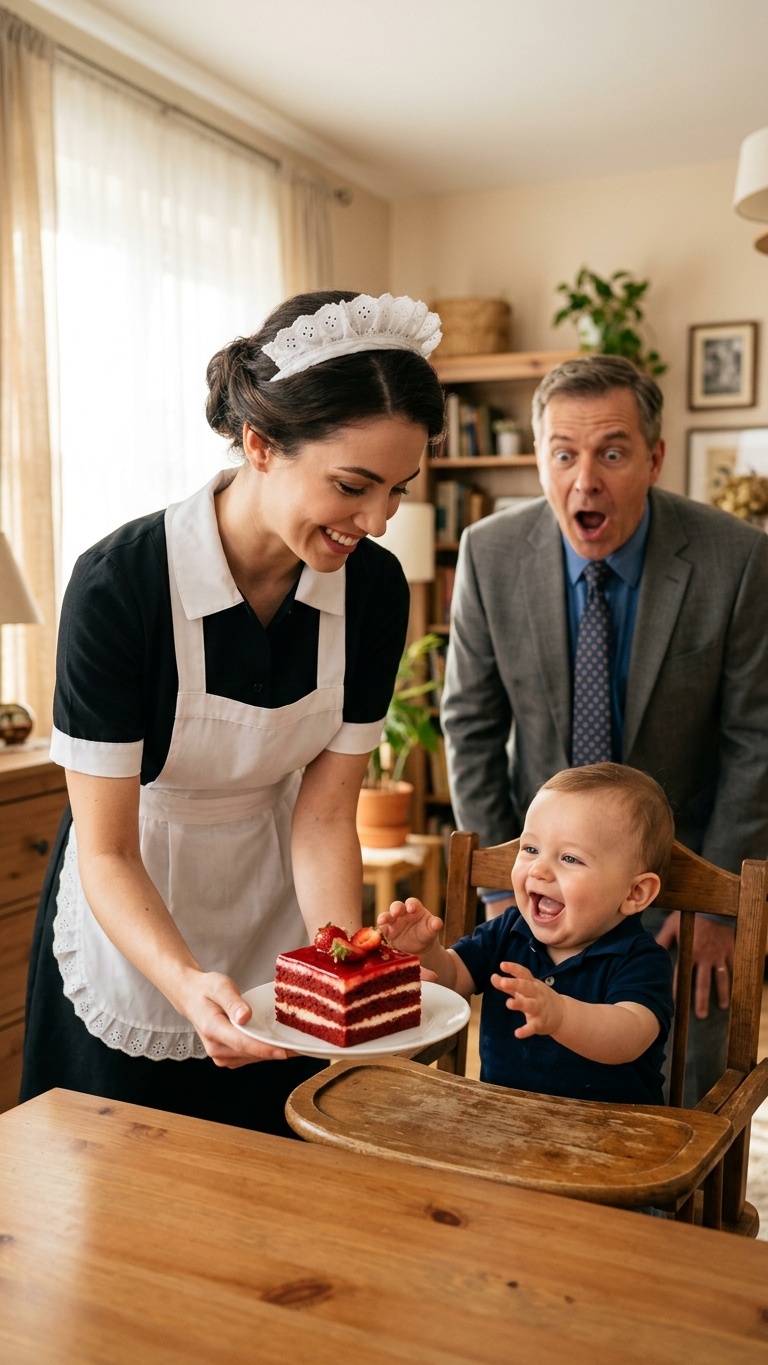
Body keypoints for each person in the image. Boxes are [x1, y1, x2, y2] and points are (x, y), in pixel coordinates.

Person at [20, 290, 445, 1135]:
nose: (376, 521)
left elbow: (324, 817)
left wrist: (341, 970)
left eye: (398, 490)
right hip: (135, 915)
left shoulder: (374, 589)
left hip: (274, 897)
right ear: (259, 443)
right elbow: (105, 847)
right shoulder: (121, 586)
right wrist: (187, 984)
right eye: (353, 486)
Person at [440, 355, 768, 1103]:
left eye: (612, 453)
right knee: (527, 1085)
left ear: (654, 458)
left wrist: (717, 904)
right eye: (564, 453)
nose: (584, 480)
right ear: (539, 458)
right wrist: (500, 891)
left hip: (680, 897)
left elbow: (757, 740)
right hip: (540, 880)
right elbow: (470, 722)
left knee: (678, 1090)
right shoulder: (489, 555)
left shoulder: (739, 560)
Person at [380, 763, 675, 1104]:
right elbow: (454, 978)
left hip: (613, 1138)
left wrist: (561, 1016)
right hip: (505, 1124)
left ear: (634, 893)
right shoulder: (509, 930)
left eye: (570, 858)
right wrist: (426, 953)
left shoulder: (640, 958)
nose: (538, 869)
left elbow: (630, 1035)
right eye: (531, 849)